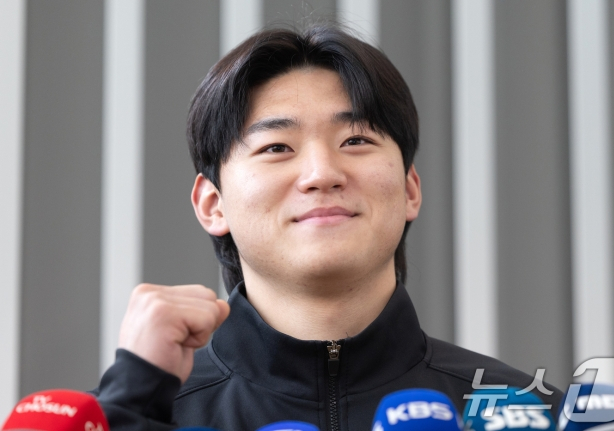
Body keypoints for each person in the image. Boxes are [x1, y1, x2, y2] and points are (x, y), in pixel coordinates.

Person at [94, 25, 563, 431]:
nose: (322, 173)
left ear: (409, 190)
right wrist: (129, 407)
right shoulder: (134, 416)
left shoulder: (530, 415)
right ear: (213, 205)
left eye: (356, 140)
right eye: (277, 147)